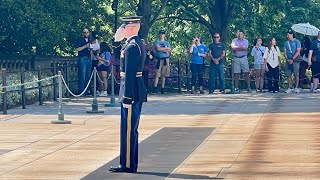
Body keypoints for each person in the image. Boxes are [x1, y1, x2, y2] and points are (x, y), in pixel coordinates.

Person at [109, 16, 146, 173]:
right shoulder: (134, 44)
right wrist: (116, 43)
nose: (121, 29)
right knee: (128, 129)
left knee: (129, 130)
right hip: (133, 89)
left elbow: (130, 73)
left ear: (131, 28)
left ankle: (129, 165)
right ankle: (127, 162)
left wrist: (127, 97)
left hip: (131, 91)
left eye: (123, 27)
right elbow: (120, 59)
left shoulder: (132, 47)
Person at [152, 30, 172, 94]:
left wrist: (162, 49)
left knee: (164, 74)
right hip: (159, 59)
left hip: (166, 59)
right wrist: (165, 49)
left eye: (163, 34)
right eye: (160, 34)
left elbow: (170, 49)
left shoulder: (167, 42)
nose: (161, 35)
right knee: (157, 74)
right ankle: (155, 88)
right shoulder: (157, 42)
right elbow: (158, 49)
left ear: (164, 35)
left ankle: (162, 88)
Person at [76, 28, 91, 95]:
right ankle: (81, 90)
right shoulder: (80, 40)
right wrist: (85, 46)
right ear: (83, 33)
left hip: (89, 58)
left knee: (88, 75)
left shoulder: (90, 40)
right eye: (84, 32)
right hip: (82, 58)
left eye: (87, 32)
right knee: (82, 74)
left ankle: (87, 90)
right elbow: (77, 49)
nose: (86, 33)